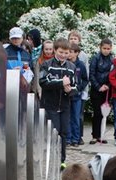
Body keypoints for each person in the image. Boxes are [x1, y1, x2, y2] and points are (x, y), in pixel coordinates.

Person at [39, 38, 78, 170]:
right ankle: (52, 157)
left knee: (64, 132)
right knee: (53, 132)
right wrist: (61, 83)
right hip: (50, 105)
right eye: (61, 52)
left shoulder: (72, 67)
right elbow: (43, 82)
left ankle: (62, 159)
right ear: (55, 50)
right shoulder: (46, 65)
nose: (63, 55)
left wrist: (69, 90)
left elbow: (75, 87)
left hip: (65, 106)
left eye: (66, 53)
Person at [89, 38, 113, 144]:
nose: (106, 50)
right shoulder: (95, 58)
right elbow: (92, 74)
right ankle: (95, 135)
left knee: (104, 113)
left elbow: (113, 74)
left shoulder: (112, 60)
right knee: (97, 112)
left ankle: (102, 135)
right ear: (100, 47)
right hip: (96, 89)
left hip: (107, 90)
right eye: (104, 48)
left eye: (108, 48)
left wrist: (107, 85)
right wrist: (98, 86)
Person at [69, 31, 90, 144]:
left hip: (77, 95)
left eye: (72, 52)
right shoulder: (66, 63)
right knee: (68, 117)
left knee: (77, 117)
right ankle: (68, 138)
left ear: (77, 53)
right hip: (67, 94)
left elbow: (85, 78)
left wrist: (80, 88)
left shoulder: (81, 64)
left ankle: (76, 138)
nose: (70, 54)